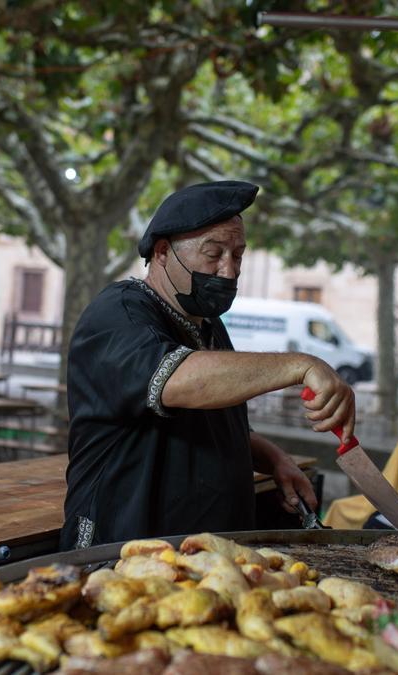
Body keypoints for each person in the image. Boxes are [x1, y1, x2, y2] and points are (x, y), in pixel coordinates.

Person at [60, 180, 357, 549]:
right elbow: (177, 381)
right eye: (213, 253)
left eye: (238, 256)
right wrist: (302, 365)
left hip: (205, 553)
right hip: (126, 549)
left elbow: (207, 426)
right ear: (164, 252)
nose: (229, 272)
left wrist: (274, 458)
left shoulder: (208, 325)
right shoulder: (118, 313)